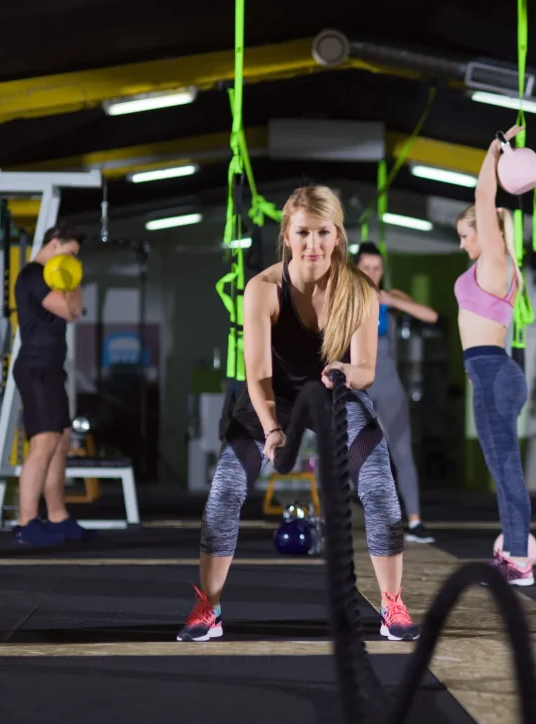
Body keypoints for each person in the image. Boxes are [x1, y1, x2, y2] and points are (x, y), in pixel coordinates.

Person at [177, 185, 420, 643]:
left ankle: (393, 606)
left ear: (337, 234)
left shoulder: (360, 290)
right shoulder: (263, 290)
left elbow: (367, 369)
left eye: (323, 233)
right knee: (225, 490)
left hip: (338, 391)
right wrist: (271, 429)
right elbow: (259, 375)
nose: (314, 245)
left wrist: (346, 370)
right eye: (303, 233)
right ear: (286, 235)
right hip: (275, 395)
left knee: (381, 493)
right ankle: (208, 607)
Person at [454, 125, 534, 587]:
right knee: (501, 469)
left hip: (492, 371)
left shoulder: (496, 260)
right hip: (487, 370)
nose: (464, 243)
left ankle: (519, 558)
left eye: (467, 235)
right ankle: (514, 551)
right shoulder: (498, 265)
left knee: (505, 467)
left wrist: (492, 150)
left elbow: (485, 198)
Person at [11, 223, 95, 547]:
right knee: (43, 441)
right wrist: (71, 277)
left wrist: (69, 277)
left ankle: (57, 515)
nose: (73, 261)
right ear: (55, 244)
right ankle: (26, 522)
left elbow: (72, 310)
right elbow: (67, 308)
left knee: (60, 441)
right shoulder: (34, 274)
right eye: (71, 254)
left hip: (51, 367)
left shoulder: (55, 278)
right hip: (36, 368)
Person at [354, 242, 438, 544]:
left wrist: (389, 299)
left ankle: (415, 521)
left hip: (388, 384)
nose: (373, 273)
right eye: (366, 267)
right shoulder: (344, 297)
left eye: (377, 268)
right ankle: (328, 520)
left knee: (402, 451)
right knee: (342, 453)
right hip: (355, 386)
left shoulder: (389, 297)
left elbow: (431, 316)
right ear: (356, 268)